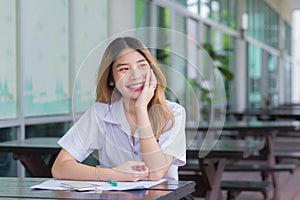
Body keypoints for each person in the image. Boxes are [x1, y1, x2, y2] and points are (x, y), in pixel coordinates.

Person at [51, 37, 186, 182]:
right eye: (124, 69)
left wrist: (141, 109)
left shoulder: (173, 113)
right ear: (111, 79)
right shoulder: (100, 113)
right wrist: (115, 174)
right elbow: (59, 168)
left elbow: (156, 173)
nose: (136, 75)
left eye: (142, 65)